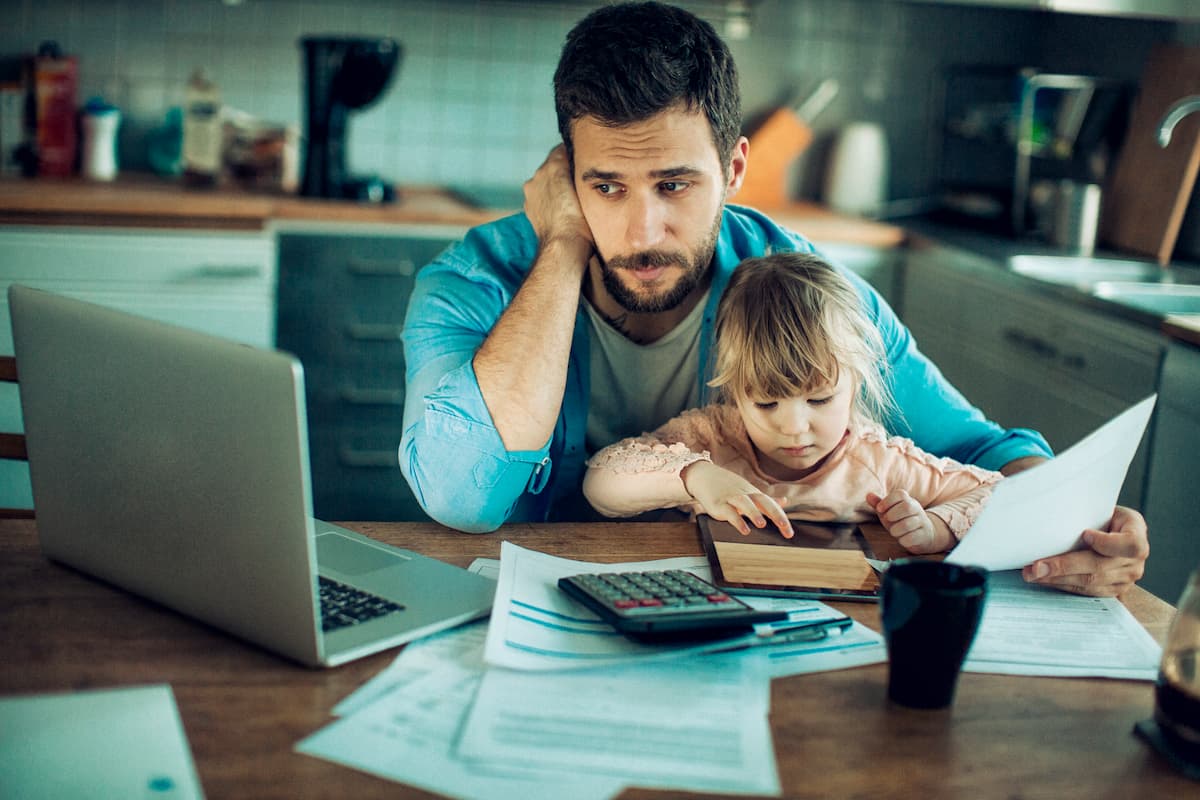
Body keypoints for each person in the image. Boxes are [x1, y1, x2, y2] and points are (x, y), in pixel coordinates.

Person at [399, 1, 1148, 596]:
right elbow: (461, 494)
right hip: (526, 609)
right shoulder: (476, 280)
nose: (641, 231)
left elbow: (983, 451)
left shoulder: (797, 287)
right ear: (566, 176)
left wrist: (1072, 526)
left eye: (674, 184)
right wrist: (562, 247)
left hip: (736, 617)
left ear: (733, 169)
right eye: (606, 186)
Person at [583, 252, 1003, 555]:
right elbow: (599, 484)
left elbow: (998, 494)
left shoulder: (879, 462)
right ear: (735, 390)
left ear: (856, 383)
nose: (795, 427)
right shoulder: (712, 437)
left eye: (819, 399)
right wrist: (695, 477)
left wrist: (936, 528)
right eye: (766, 404)